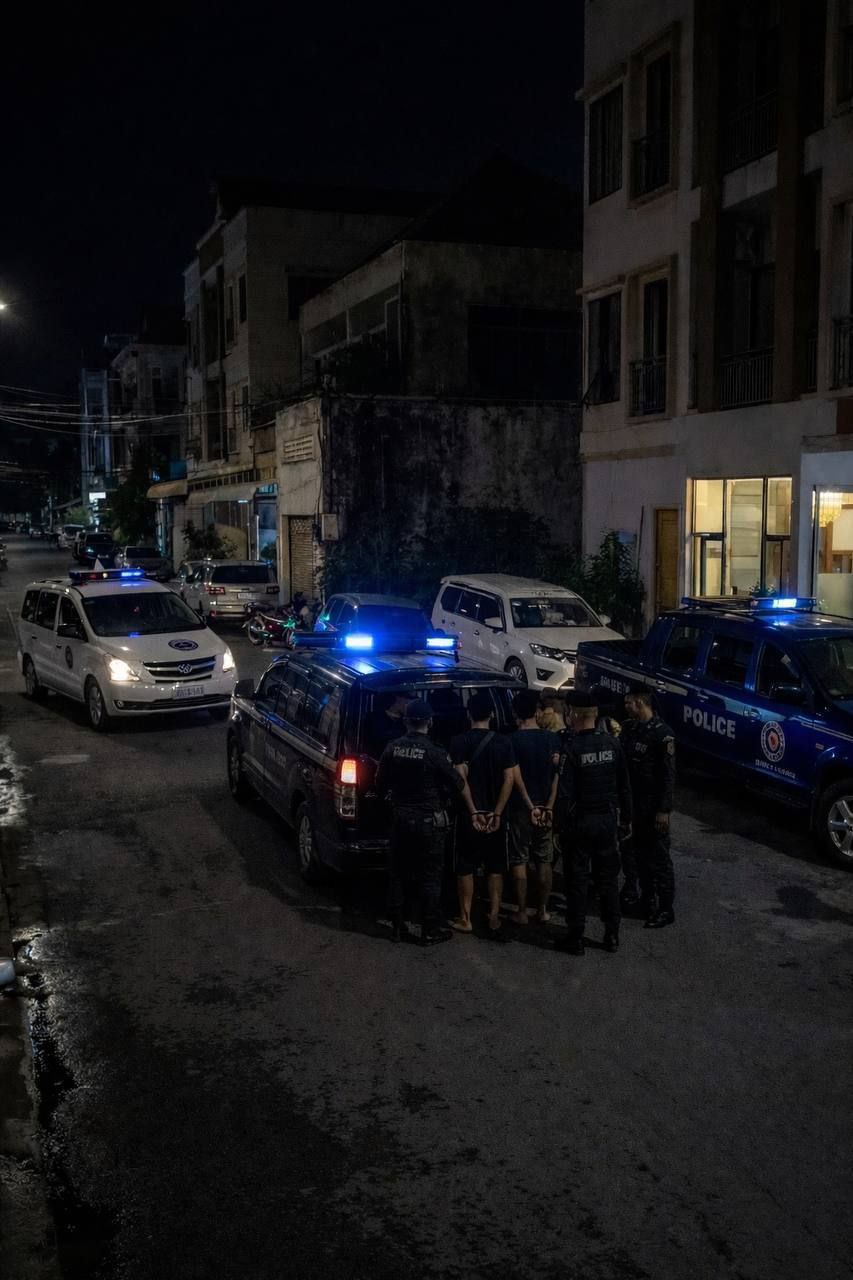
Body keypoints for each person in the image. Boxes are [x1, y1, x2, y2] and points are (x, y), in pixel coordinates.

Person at [375, 698, 477, 946]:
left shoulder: (392, 747)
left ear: (406, 722)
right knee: (430, 875)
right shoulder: (434, 751)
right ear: (430, 722)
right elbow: (457, 783)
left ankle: (397, 926)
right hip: (428, 822)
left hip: (400, 818)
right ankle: (429, 928)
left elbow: (379, 782)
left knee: (398, 873)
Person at [554, 688, 633, 955]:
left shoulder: (572, 748)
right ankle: (612, 934)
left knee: (577, 881)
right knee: (608, 880)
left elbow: (564, 795)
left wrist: (558, 827)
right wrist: (626, 819)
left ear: (574, 715)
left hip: (580, 823)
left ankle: (575, 937)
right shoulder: (612, 744)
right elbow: (624, 786)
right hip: (606, 821)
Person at [449, 690, 516, 941]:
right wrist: (497, 813)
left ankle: (465, 917)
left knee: (465, 866)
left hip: (469, 817)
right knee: (495, 867)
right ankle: (494, 916)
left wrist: (473, 811)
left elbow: (460, 780)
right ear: (492, 714)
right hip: (495, 817)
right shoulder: (504, 742)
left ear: (469, 714)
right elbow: (509, 779)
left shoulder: (458, 741)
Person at [621, 686, 676, 929]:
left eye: (629, 703)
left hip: (654, 808)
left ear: (640, 703)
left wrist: (664, 810)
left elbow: (668, 776)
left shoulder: (662, 734)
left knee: (659, 859)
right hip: (636, 806)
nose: (626, 707)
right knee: (640, 856)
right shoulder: (631, 729)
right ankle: (647, 900)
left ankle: (665, 909)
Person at [508, 688, 559, 925]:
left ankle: (521, 910)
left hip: (521, 808)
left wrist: (530, 806)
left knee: (519, 857)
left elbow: (514, 777)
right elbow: (557, 775)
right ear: (536, 711)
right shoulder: (551, 739)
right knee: (544, 858)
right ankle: (542, 909)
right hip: (545, 809)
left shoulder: (512, 740)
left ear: (516, 713)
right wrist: (549, 805)